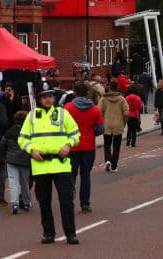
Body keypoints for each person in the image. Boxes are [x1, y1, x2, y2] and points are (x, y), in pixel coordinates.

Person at [18, 87, 81, 245]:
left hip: (61, 164)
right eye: (44, 97)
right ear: (40, 100)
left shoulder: (63, 113)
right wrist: (31, 150)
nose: (47, 99)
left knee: (66, 200)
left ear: (54, 98)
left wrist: (68, 145)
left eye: (50, 96)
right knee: (44, 202)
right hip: (40, 165)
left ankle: (71, 233)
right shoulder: (32, 116)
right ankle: (48, 233)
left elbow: (75, 133)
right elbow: (22, 138)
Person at [64, 81, 104, 214]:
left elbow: (62, 126)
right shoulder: (95, 109)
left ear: (74, 93)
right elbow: (100, 129)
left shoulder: (68, 108)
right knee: (85, 175)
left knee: (71, 173)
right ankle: (85, 204)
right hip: (88, 146)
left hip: (72, 146)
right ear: (87, 93)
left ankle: (70, 195)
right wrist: (91, 132)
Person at [0, 111, 32, 213]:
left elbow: (2, 146)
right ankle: (26, 203)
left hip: (11, 160)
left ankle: (15, 204)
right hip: (25, 161)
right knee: (25, 183)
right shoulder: (29, 132)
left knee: (13, 182)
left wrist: (5, 157)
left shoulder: (9, 132)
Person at [98, 84, 127, 173]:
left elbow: (99, 111)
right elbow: (126, 112)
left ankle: (108, 160)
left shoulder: (103, 99)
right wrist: (124, 122)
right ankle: (114, 166)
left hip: (107, 124)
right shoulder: (121, 99)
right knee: (116, 146)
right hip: (118, 124)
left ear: (109, 88)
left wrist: (101, 121)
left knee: (107, 144)